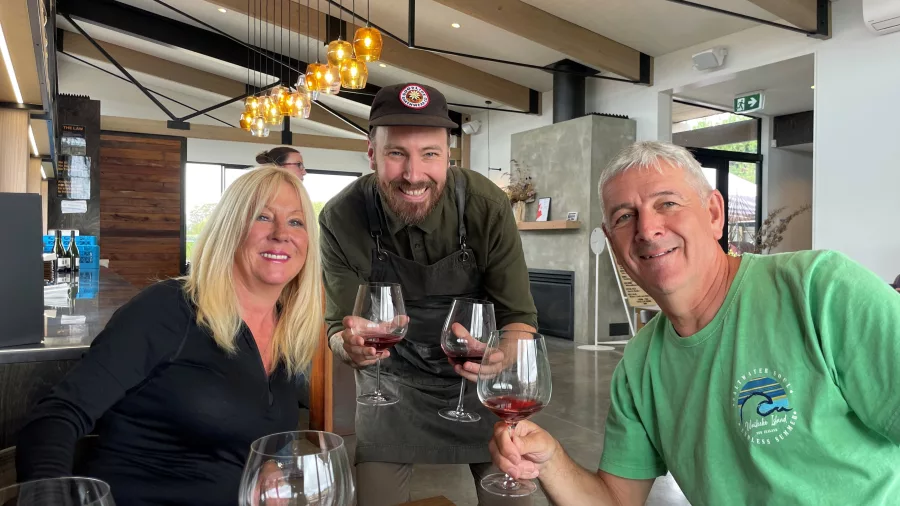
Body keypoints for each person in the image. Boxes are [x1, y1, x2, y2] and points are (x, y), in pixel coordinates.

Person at [489, 141, 900, 505]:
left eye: (667, 203)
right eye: (624, 216)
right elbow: (615, 499)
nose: (647, 229)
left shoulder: (819, 290)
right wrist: (552, 460)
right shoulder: (640, 365)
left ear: (714, 213)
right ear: (611, 242)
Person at [16, 167, 323, 505]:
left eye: (296, 222)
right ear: (229, 230)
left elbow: (242, 439)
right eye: (263, 217)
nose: (282, 234)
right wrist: (50, 497)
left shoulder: (290, 333)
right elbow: (56, 417)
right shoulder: (170, 309)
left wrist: (268, 467)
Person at [319, 83, 538, 506]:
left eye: (430, 154)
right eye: (397, 153)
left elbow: (519, 318)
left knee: (512, 497)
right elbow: (338, 328)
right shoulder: (340, 217)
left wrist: (503, 352)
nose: (414, 174)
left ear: (448, 155)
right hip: (392, 384)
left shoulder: (486, 206)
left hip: (478, 382)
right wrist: (351, 347)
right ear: (372, 154)